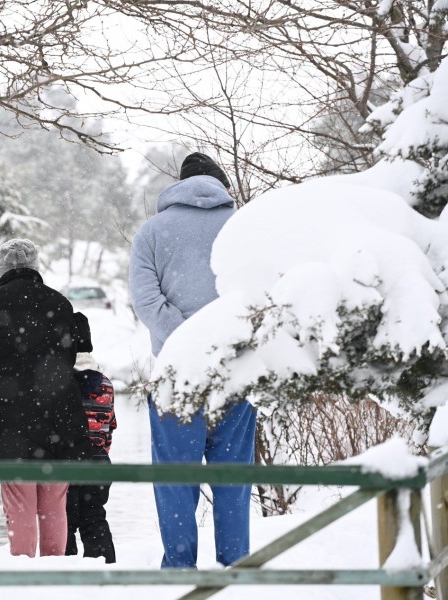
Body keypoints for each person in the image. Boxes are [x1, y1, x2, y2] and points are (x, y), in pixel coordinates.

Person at [129, 152, 257, 569]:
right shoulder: (243, 228)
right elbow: (259, 296)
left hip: (175, 375)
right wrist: (222, 341)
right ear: (221, 185)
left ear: (179, 185)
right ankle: (235, 567)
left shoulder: (152, 232)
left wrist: (186, 342)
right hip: (234, 371)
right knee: (233, 479)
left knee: (175, 479)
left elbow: (147, 301)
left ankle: (179, 570)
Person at [0, 238, 92, 557]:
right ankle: (53, 578)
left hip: (13, 418)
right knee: (54, 503)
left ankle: (22, 577)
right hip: (59, 416)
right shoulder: (60, 303)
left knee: (20, 502)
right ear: (36, 267)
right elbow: (69, 359)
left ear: (2, 269)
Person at [65, 312, 117, 563]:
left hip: (67, 460)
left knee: (64, 521)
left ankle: (66, 574)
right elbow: (110, 426)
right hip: (98, 462)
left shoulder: (60, 380)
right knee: (95, 517)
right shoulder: (106, 383)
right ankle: (105, 570)